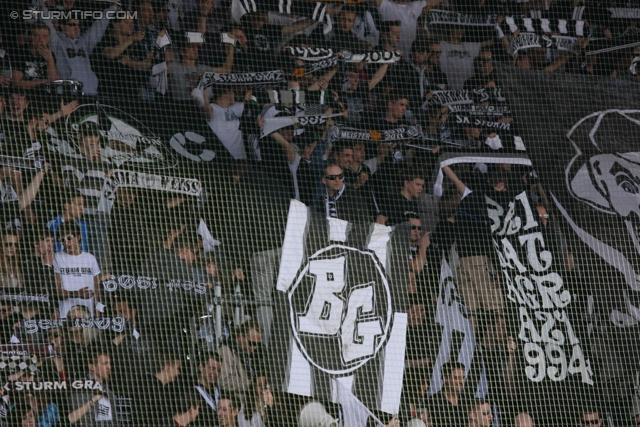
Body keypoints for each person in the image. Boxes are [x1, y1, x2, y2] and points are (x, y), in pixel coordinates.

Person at [38, 3, 118, 96]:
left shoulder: (83, 42)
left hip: (90, 93)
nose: (77, 28)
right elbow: (47, 24)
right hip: (67, 94)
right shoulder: (57, 43)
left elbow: (99, 26)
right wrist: (42, 6)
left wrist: (114, 7)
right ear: (62, 26)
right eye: (72, 25)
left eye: (78, 25)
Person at [53, 221, 102, 318]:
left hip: (89, 314)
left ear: (78, 237)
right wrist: (76, 294)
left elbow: (97, 288)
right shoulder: (57, 258)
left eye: (69, 238)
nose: (66, 242)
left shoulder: (90, 258)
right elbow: (55, 290)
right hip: (65, 313)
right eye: (62, 240)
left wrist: (98, 308)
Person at [67, 348, 116, 426]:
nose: (109, 367)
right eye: (105, 364)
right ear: (92, 367)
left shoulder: (108, 390)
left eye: (109, 364)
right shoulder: (80, 387)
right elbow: (75, 419)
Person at [217, 320, 265, 397]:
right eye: (252, 343)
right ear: (240, 336)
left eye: (257, 344)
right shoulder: (225, 351)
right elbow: (223, 381)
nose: (255, 347)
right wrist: (252, 384)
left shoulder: (248, 352)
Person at [439, 26, 492, 90]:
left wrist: (501, 30)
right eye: (458, 27)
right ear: (449, 28)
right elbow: (427, 41)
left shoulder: (468, 46)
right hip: (451, 92)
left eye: (463, 28)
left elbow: (490, 42)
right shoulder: (442, 45)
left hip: (469, 90)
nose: (461, 30)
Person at [12, 22, 59, 90]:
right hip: (24, 96)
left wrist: (50, 60)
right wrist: (43, 81)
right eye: (36, 36)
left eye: (44, 36)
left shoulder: (50, 54)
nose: (40, 40)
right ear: (30, 37)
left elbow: (54, 82)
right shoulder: (19, 53)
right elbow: (16, 83)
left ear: (48, 39)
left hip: (45, 96)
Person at [428, 361, 467, 427]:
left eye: (463, 378)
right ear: (445, 378)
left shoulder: (467, 401)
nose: (461, 382)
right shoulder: (433, 402)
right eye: (456, 378)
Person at [193, 352, 223, 427]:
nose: (216, 373)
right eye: (212, 368)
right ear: (201, 367)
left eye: (219, 370)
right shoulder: (190, 390)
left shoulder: (221, 392)